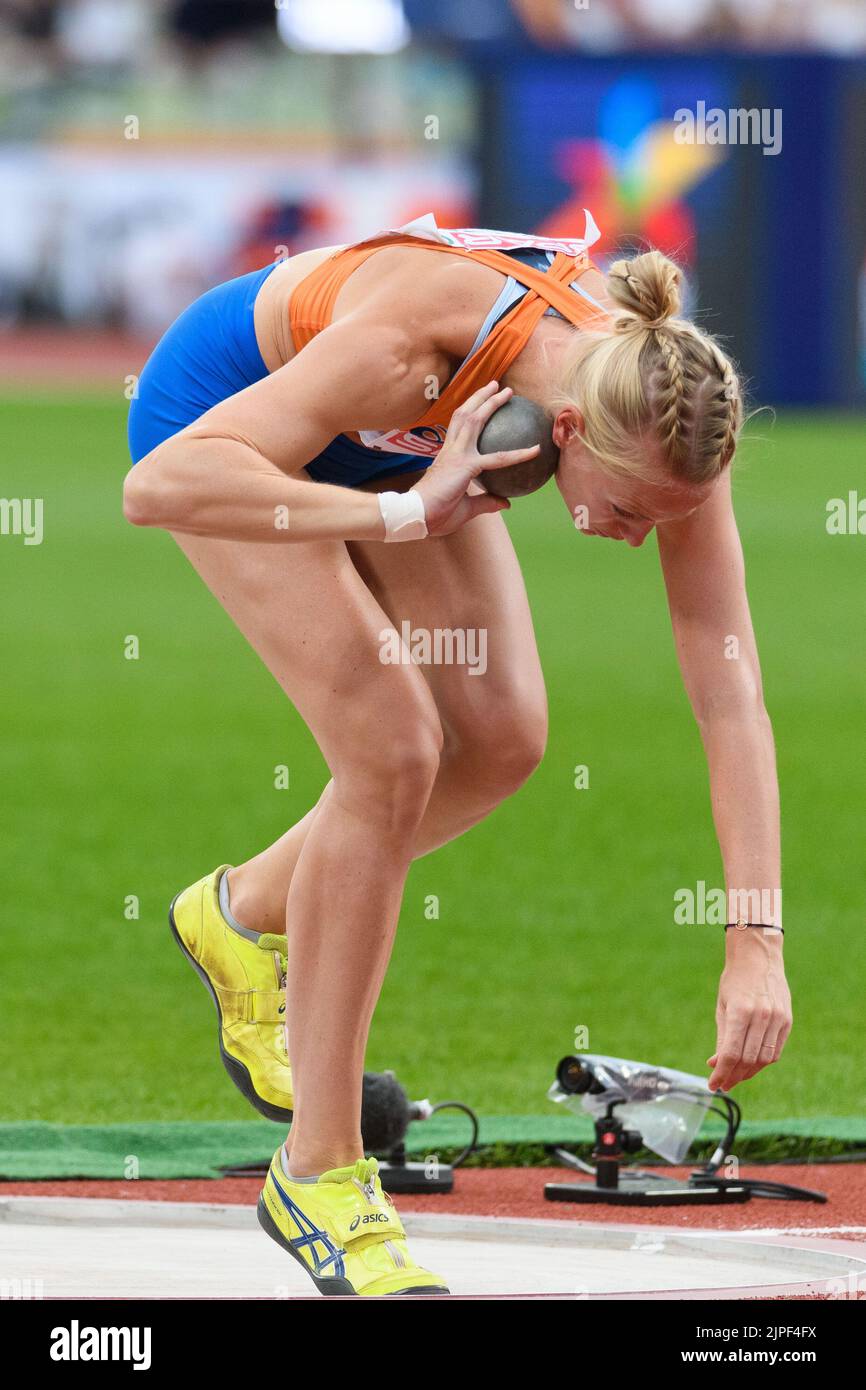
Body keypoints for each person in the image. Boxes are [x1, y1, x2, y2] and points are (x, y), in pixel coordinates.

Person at [124, 214, 791, 1296]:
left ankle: (240, 916)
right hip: (221, 422)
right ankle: (321, 1174)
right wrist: (398, 511)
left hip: (410, 440)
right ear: (563, 429)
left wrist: (753, 937)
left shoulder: (664, 409)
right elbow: (157, 485)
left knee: (500, 740)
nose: (632, 539)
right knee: (390, 749)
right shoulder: (406, 346)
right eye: (623, 511)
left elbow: (729, 693)